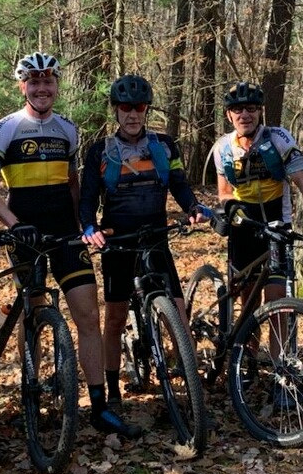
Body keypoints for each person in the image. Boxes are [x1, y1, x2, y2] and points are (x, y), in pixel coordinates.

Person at [0, 51, 141, 439]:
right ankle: (31, 391)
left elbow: (73, 183)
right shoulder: (5, 129)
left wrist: (83, 224)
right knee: (34, 312)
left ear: (56, 85)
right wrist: (15, 225)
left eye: (48, 81)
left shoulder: (68, 129)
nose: (42, 88)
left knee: (88, 314)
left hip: (65, 232)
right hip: (26, 232)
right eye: (34, 81)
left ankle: (99, 406)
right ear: (22, 86)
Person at [78, 74, 207, 418]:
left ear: (147, 109)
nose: (132, 114)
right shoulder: (100, 150)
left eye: (139, 107)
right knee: (115, 318)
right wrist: (89, 226)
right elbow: (88, 197)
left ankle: (192, 393)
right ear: (116, 110)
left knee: (177, 314)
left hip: (155, 238)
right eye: (126, 108)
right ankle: (112, 390)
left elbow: (179, 184)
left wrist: (192, 207)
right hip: (118, 242)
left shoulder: (164, 145)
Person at [213, 81, 303, 311]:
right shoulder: (222, 147)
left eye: (251, 108)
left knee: (276, 298)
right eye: (237, 109)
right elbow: (224, 192)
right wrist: (231, 206)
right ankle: (247, 337)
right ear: (229, 115)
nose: (244, 115)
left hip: (277, 223)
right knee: (249, 298)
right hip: (244, 226)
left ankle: (276, 338)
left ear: (260, 111)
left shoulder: (278, 138)